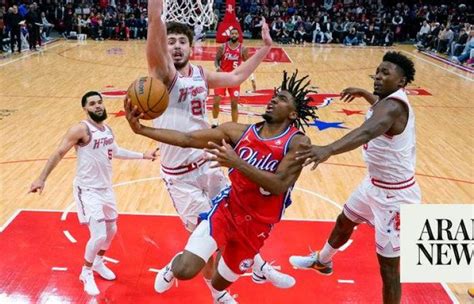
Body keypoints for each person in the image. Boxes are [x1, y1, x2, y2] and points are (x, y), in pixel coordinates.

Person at [125, 70, 317, 302]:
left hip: (257, 227)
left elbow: (278, 185)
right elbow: (187, 139)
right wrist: (141, 130)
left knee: (218, 281)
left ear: (293, 114)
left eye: (282, 99)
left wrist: (237, 162)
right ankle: (173, 267)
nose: (274, 99)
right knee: (186, 270)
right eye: (274, 96)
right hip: (226, 211)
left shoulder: (298, 142)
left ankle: (252, 274)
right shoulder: (237, 132)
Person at [145, 0, 293, 302]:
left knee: (236, 222)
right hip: (180, 176)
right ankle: (213, 283)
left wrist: (265, 47)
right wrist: (155, 10)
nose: (175, 46)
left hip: (208, 161)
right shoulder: (162, 74)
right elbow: (154, 23)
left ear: (191, 46)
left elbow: (237, 77)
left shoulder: (200, 74)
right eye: (170, 41)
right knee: (208, 232)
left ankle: (237, 279)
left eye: (182, 42)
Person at [289, 52, 420, 304]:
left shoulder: (393, 107)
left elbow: (367, 131)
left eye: (386, 73)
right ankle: (323, 261)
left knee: (389, 269)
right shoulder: (386, 101)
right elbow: (377, 112)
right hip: (373, 184)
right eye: (378, 71)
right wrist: (364, 93)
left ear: (401, 82)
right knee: (344, 221)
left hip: (395, 196)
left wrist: (328, 149)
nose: (378, 77)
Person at [29, 91, 155, 296]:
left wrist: (144, 155)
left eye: (100, 102)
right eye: (93, 104)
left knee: (112, 230)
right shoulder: (80, 129)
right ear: (85, 108)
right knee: (98, 235)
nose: (98, 106)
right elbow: (59, 152)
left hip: (106, 189)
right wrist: (41, 178)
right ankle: (85, 272)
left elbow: (116, 151)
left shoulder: (107, 129)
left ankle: (98, 262)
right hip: (87, 190)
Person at [212, 28, 257, 127]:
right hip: (222, 78)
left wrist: (252, 79)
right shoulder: (223, 47)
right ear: (230, 34)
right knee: (216, 102)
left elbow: (248, 64)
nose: (234, 35)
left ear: (238, 35)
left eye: (236, 33)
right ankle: (214, 122)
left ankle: (234, 125)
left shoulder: (243, 49)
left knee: (234, 104)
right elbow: (216, 60)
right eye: (232, 33)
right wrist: (218, 67)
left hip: (234, 79)